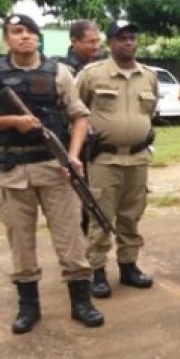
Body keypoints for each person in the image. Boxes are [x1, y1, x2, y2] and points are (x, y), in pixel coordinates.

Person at [0, 14, 103, 333]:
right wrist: (11, 122)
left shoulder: (59, 72)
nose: (25, 37)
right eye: (17, 32)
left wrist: (72, 157)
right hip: (12, 170)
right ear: (7, 39)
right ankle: (28, 308)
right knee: (21, 242)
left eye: (31, 31)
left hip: (54, 168)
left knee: (71, 238)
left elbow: (80, 117)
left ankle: (81, 303)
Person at [76, 20, 158, 299]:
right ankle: (97, 272)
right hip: (104, 159)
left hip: (137, 159)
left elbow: (151, 111)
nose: (129, 42)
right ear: (110, 42)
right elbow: (75, 111)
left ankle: (129, 266)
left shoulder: (148, 76)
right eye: (122, 38)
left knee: (131, 215)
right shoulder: (92, 74)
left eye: (133, 37)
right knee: (100, 216)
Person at [58, 20, 103, 236]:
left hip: (97, 145)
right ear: (74, 41)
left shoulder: (102, 67)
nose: (95, 46)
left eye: (98, 41)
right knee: (77, 199)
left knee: (97, 197)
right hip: (73, 143)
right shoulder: (62, 70)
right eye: (90, 42)